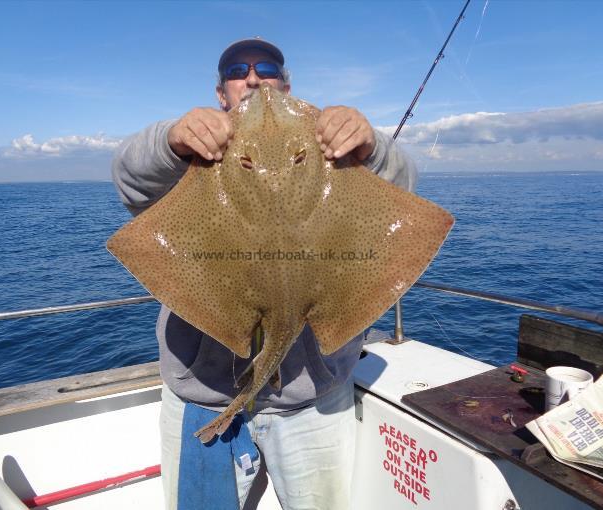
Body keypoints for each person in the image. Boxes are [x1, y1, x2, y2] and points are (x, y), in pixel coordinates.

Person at [112, 37, 417, 510]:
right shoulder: (194, 153)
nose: (253, 79)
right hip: (205, 398)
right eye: (238, 71)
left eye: (267, 69)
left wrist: (371, 146)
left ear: (287, 84)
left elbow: (403, 192)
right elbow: (129, 178)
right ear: (220, 93)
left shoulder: (329, 147)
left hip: (311, 401)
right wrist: (171, 140)